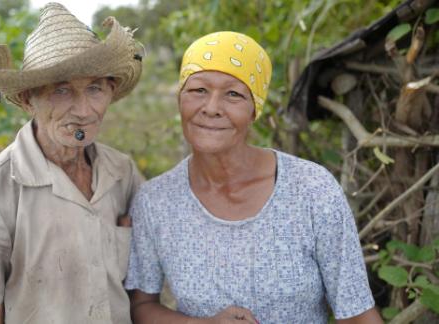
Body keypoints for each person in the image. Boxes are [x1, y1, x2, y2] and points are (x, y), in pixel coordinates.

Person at [125, 31, 383, 324]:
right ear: (179, 99)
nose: (211, 108)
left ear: (254, 110)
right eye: (198, 90)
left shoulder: (311, 190)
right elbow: (142, 306)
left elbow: (358, 314)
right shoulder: (156, 201)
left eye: (233, 94)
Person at [0, 3, 144, 323]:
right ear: (26, 100)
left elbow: (140, 286)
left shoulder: (123, 173)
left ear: (111, 90)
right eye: (62, 90)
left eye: (94, 88)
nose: (83, 110)